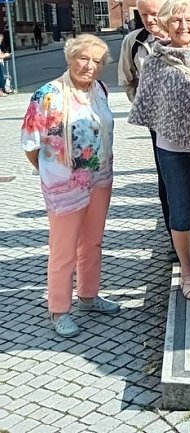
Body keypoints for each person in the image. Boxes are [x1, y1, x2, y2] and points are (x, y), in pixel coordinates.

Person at [128, 0, 190, 301]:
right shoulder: (156, 60)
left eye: (188, 20)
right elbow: (147, 105)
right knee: (181, 210)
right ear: (164, 24)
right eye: (175, 20)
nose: (183, 26)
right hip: (172, 148)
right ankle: (187, 270)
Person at [22, 34, 119, 338]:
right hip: (64, 186)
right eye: (83, 58)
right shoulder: (48, 94)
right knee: (63, 250)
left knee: (92, 243)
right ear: (70, 58)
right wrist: (51, 172)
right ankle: (59, 309)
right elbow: (30, 145)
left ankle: (88, 296)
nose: (88, 66)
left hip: (100, 179)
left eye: (96, 61)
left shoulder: (100, 90)